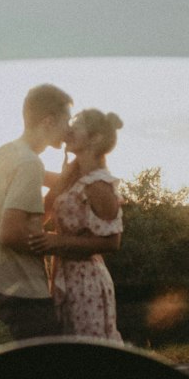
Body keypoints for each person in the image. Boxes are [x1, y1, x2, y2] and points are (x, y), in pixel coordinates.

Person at [0, 83, 72, 339]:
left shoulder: (4, 155)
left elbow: (24, 220)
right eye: (66, 121)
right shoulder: (29, 163)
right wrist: (64, 244)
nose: (69, 129)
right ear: (48, 121)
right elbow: (11, 234)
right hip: (19, 283)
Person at [29, 109, 124, 341]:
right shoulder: (74, 176)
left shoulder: (99, 183)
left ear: (96, 138)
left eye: (77, 124)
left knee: (92, 353)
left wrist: (57, 241)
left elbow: (112, 242)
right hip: (65, 274)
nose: (69, 129)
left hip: (86, 281)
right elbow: (36, 176)